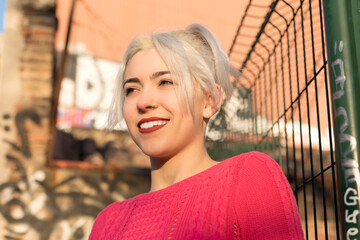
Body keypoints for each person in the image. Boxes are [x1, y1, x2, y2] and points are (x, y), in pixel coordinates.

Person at [89, 23, 304, 239]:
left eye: (165, 82)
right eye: (132, 89)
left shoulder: (248, 178)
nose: (143, 102)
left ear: (209, 101)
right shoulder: (108, 223)